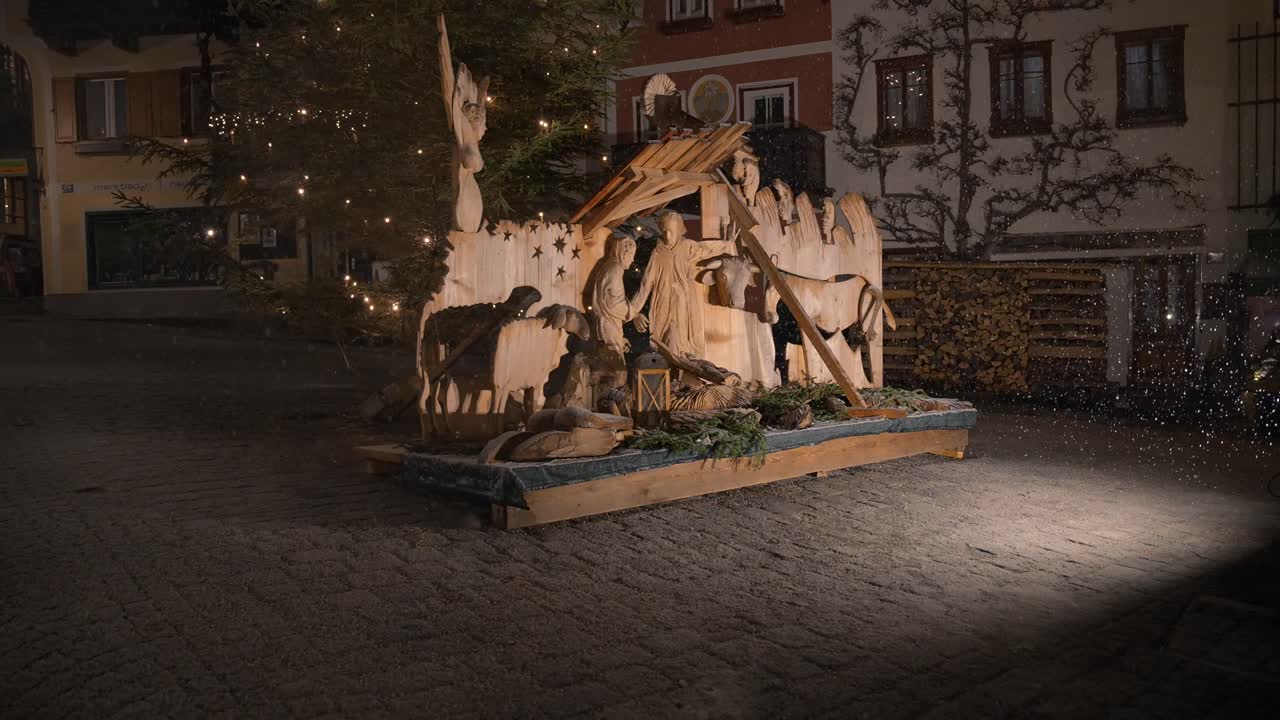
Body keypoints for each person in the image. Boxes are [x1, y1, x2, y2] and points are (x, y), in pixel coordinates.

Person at [628, 212, 735, 359]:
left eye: (672, 231)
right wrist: (633, 312)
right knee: (662, 342)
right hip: (662, 304)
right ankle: (668, 367)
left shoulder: (687, 246)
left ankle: (685, 366)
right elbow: (645, 285)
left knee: (683, 341)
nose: (668, 236)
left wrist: (727, 244)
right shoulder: (657, 254)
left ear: (679, 230)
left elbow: (706, 249)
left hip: (683, 304)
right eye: (664, 231)